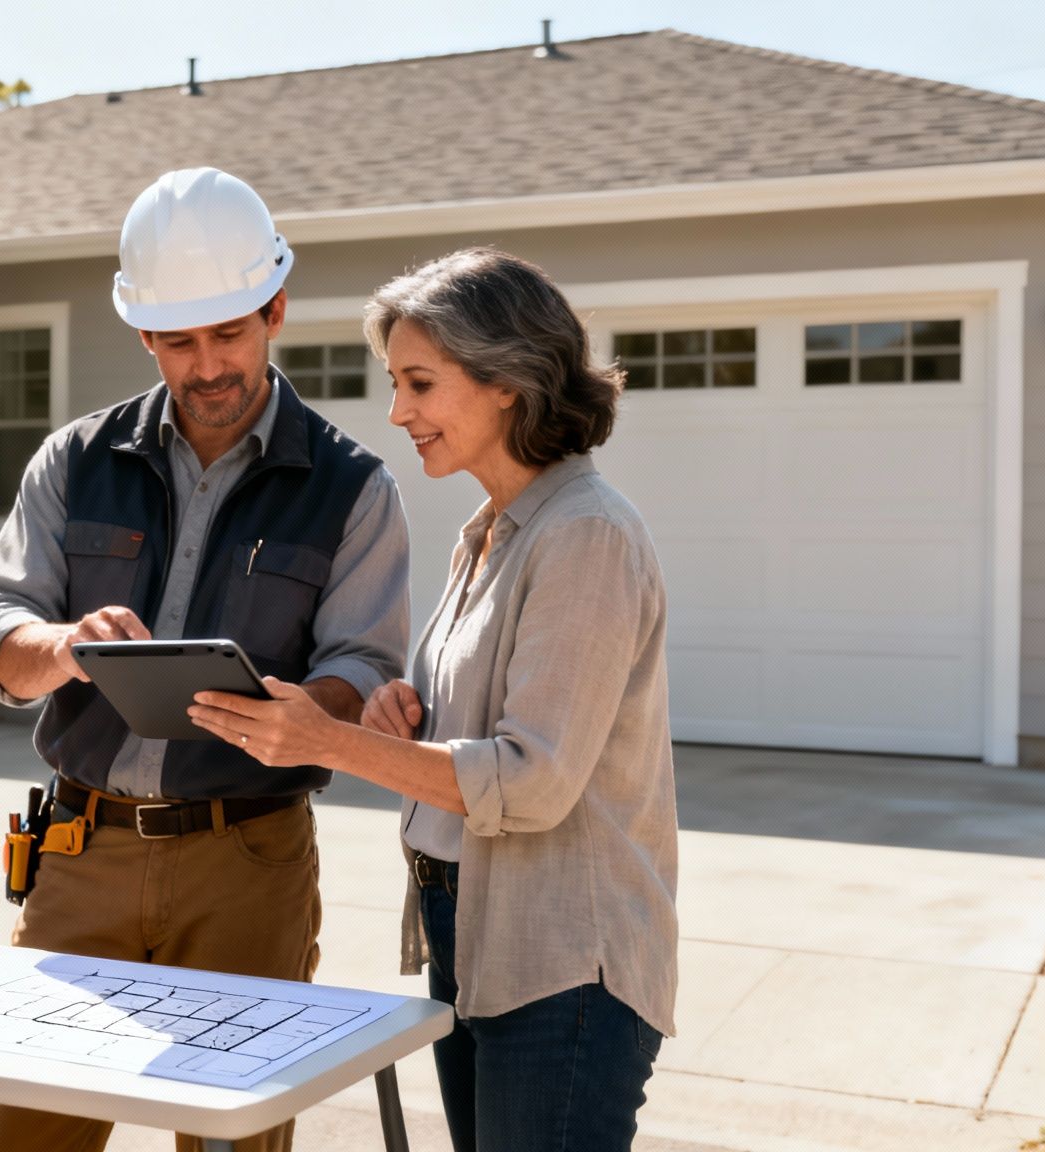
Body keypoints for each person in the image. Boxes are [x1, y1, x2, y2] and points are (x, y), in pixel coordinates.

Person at [188, 247, 679, 1152]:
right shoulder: (485, 535)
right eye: (394, 382)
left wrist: (327, 740)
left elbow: (531, 782)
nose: (397, 412)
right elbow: (485, 732)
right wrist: (402, 717)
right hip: (474, 936)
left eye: (419, 383)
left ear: (507, 381)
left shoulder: (584, 538)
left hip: (563, 962)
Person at [0, 167, 412, 1152]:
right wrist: (65, 647)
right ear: (143, 335)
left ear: (275, 309)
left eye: (229, 334)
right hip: (79, 860)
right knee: (23, 1137)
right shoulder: (75, 460)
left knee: (232, 1141)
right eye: (178, 341)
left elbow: (364, 665)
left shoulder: (351, 490)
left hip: (247, 861)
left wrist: (302, 712)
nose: (206, 366)